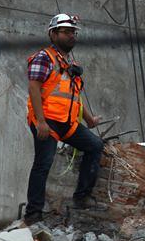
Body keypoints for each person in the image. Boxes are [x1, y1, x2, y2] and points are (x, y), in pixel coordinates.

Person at [25, 13, 104, 224]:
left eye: (73, 32)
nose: (71, 36)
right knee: (43, 164)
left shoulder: (69, 64)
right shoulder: (44, 58)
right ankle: (33, 214)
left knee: (95, 145)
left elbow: (74, 96)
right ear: (53, 34)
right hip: (47, 122)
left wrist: (89, 120)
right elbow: (34, 88)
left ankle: (81, 197)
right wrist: (40, 122)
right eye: (66, 32)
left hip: (67, 123)